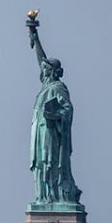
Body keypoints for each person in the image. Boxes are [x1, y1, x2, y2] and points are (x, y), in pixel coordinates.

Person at [26, 11, 81, 206]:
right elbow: (41, 59)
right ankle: (43, 197)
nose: (43, 70)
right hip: (40, 133)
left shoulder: (58, 88)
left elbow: (67, 109)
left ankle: (55, 196)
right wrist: (35, 36)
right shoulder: (46, 86)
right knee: (40, 165)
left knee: (50, 164)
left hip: (52, 134)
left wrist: (54, 115)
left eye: (46, 69)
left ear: (53, 72)